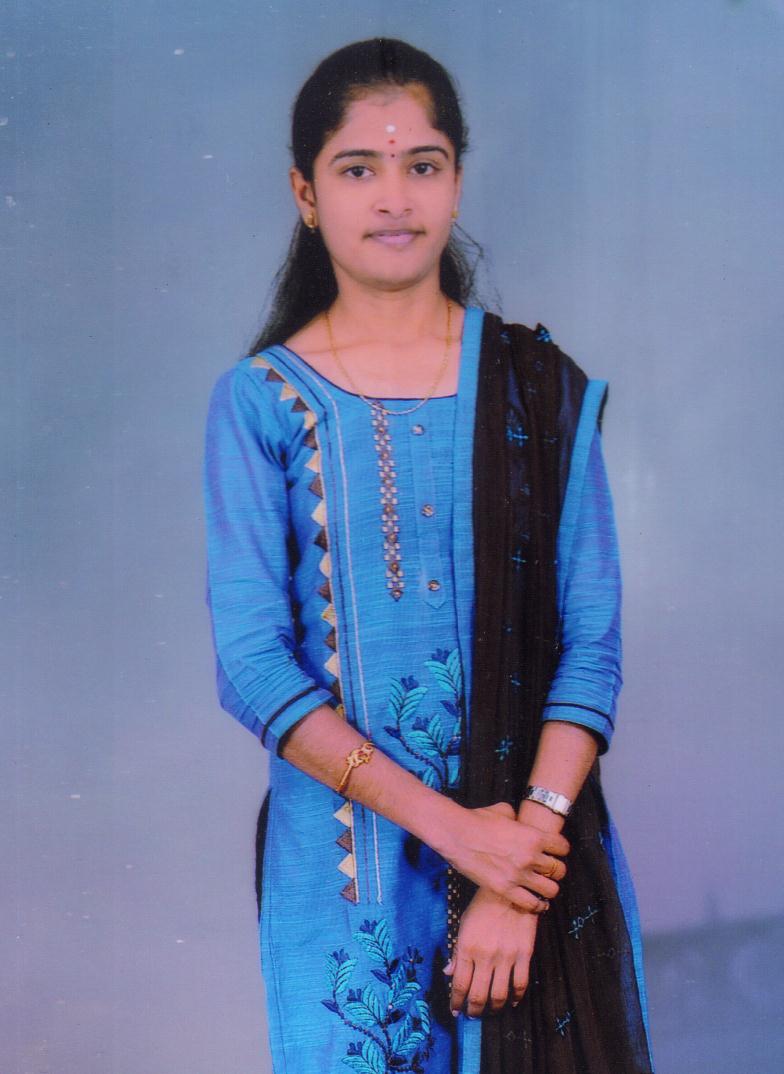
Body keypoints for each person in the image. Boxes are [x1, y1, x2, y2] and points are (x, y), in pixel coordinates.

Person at [202, 37, 654, 1074]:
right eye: (358, 168)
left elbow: (590, 645)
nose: (394, 197)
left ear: (455, 180)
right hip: (349, 889)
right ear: (306, 194)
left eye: (423, 164)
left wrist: (515, 869)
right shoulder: (260, 402)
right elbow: (253, 665)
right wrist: (460, 835)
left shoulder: (539, 390)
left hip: (535, 871)